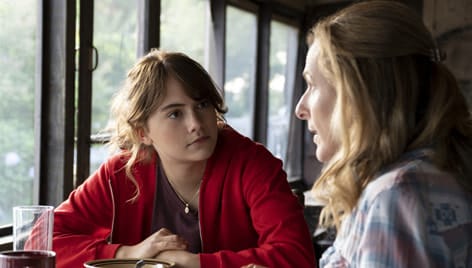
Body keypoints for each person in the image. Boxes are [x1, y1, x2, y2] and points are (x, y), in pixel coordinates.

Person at [52, 49, 316, 268]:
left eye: (202, 105)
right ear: (142, 132)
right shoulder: (121, 172)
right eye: (175, 114)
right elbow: (44, 243)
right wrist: (128, 253)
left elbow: (297, 257)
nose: (196, 124)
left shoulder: (252, 163)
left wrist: (193, 263)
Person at [293, 1, 472, 267]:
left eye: (312, 84)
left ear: (356, 94)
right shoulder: (437, 173)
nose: (300, 109)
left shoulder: (396, 196)